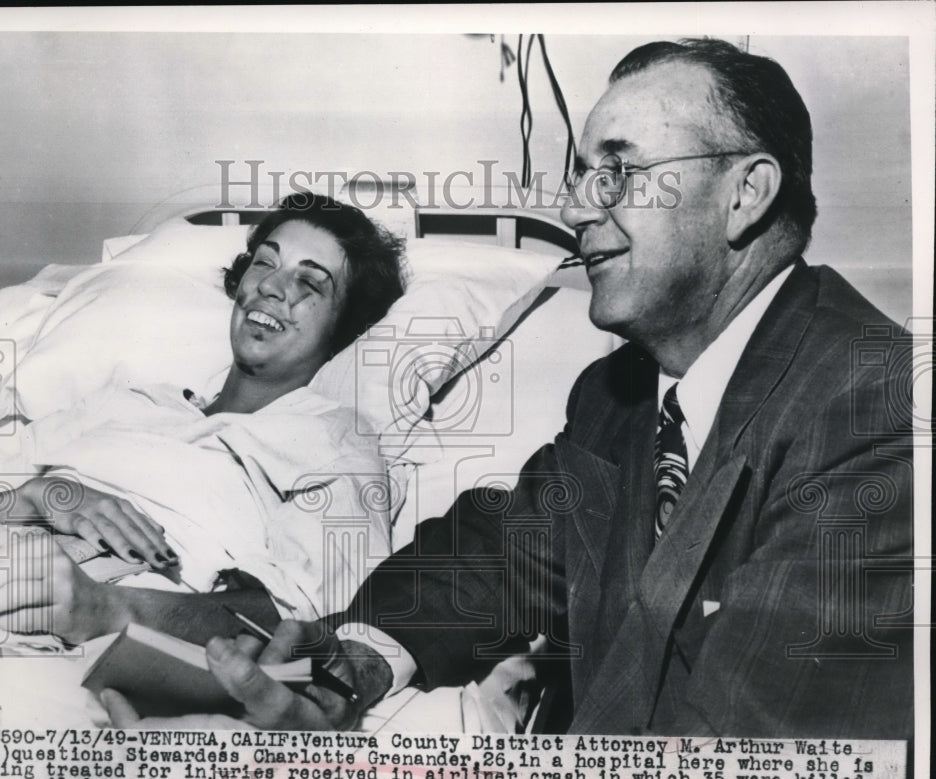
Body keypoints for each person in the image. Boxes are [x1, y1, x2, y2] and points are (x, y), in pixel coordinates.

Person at [106, 38, 913, 737]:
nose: (573, 207)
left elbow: (745, 765)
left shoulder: (875, 407)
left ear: (746, 193)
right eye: (581, 175)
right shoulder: (620, 397)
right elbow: (502, 553)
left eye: (619, 171)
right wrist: (352, 664)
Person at [0, 192, 406, 646]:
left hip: (67, 627)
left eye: (310, 283)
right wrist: (37, 495)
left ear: (345, 324)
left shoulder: (331, 437)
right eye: (265, 263)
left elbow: (313, 614)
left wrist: (110, 609)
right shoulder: (130, 401)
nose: (272, 287)